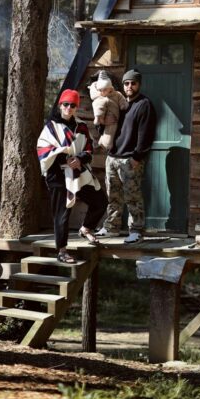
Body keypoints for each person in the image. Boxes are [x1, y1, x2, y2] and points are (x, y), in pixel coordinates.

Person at [37, 89, 108, 262]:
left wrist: (80, 158)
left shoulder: (82, 126)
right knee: (62, 213)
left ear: (76, 107)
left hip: (78, 173)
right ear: (60, 105)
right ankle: (62, 251)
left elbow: (89, 149)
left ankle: (86, 228)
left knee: (100, 201)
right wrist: (64, 157)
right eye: (66, 104)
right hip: (58, 174)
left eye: (73, 105)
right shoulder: (51, 127)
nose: (69, 108)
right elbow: (43, 149)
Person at [95, 69, 156, 243]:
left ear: (139, 84)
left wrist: (137, 157)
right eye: (126, 83)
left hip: (130, 159)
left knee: (132, 196)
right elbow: (105, 128)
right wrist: (102, 123)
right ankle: (112, 227)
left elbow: (147, 135)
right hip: (112, 157)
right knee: (113, 195)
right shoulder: (116, 102)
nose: (129, 86)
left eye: (133, 83)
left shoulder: (144, 105)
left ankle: (136, 231)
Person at [89, 71, 127, 150]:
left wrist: (123, 105)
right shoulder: (99, 97)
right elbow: (95, 103)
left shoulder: (116, 94)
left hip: (114, 118)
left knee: (110, 131)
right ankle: (98, 117)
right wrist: (101, 120)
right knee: (98, 103)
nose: (102, 92)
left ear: (110, 88)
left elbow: (121, 99)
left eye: (105, 90)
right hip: (102, 118)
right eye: (100, 90)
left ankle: (105, 143)